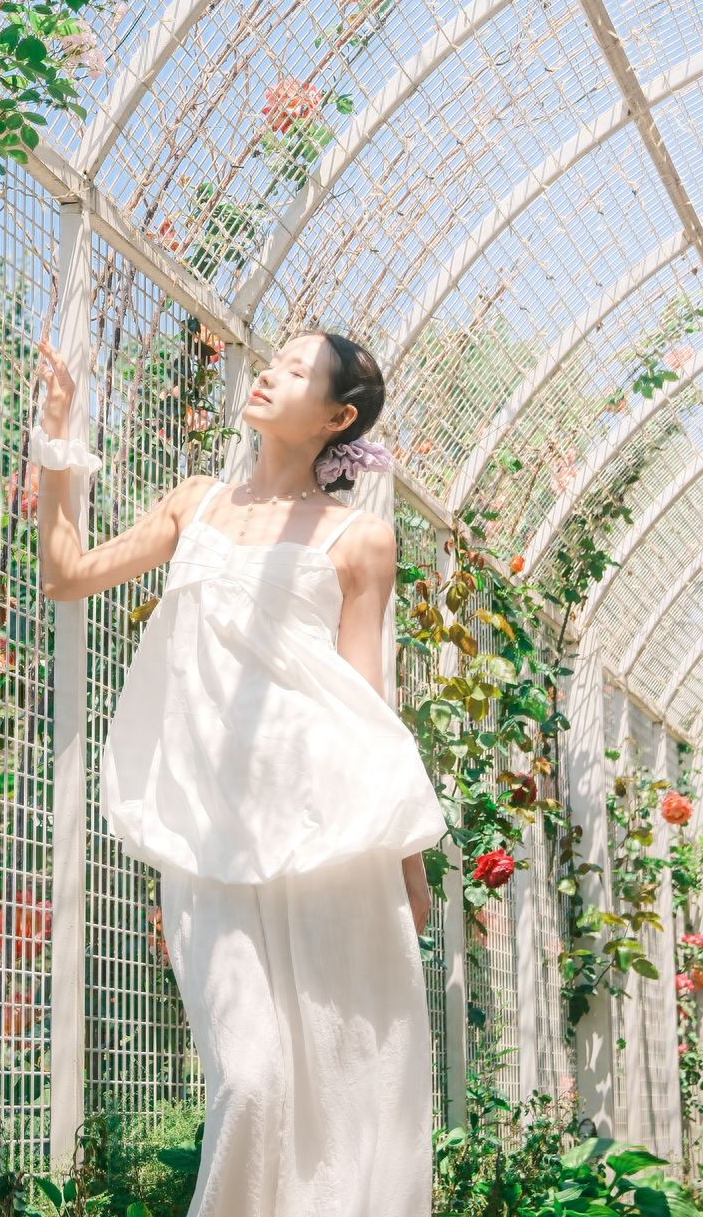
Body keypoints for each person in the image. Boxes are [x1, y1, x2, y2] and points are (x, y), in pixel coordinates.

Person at [31, 328, 448, 1217]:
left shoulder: (361, 538)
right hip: (211, 845)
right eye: (275, 359)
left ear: (336, 417)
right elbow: (67, 575)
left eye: (297, 370)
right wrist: (57, 438)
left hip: (330, 840)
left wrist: (406, 860)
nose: (269, 372)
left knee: (348, 1088)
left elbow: (369, 705)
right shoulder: (197, 505)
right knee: (252, 1080)